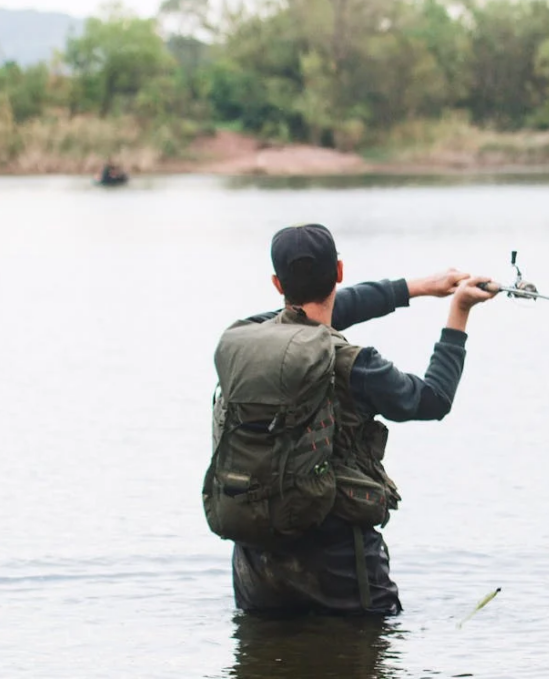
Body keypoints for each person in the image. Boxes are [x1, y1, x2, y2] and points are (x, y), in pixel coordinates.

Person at [209, 222, 497, 617]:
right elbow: (433, 399)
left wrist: (417, 287)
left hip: (257, 567)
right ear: (340, 273)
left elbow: (313, 318)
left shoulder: (245, 339)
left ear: (278, 284)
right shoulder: (355, 364)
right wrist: (458, 311)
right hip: (342, 568)